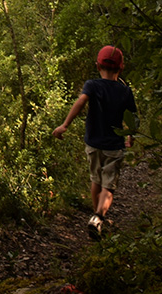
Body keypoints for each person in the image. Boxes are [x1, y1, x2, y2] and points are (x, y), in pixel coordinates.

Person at [53, 45, 137, 239]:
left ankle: (96, 218)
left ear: (98, 65)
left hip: (93, 143)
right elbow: (133, 115)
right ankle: (98, 216)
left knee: (95, 180)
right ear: (121, 67)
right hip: (114, 146)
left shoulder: (92, 85)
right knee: (109, 185)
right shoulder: (125, 91)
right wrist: (131, 135)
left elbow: (81, 102)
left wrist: (65, 124)